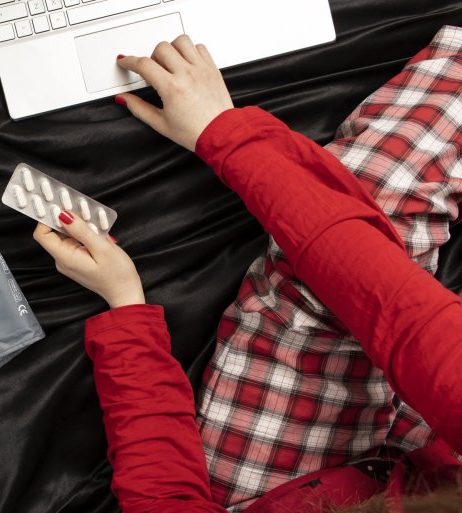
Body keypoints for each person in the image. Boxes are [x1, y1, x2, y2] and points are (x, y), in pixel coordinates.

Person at [33, 27, 462, 513]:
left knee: (347, 236)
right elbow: (390, 302)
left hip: (284, 492)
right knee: (374, 204)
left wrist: (126, 307)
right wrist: (221, 133)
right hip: (434, 453)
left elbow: (165, 500)